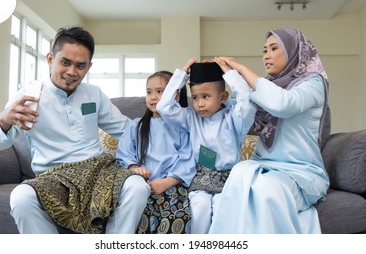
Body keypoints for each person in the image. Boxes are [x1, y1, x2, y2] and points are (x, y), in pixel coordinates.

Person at [0, 26, 150, 234]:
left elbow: (127, 129)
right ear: (50, 59)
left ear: (89, 67)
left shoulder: (94, 94)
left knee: (137, 186)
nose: (72, 72)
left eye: (80, 66)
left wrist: (167, 130)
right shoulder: (28, 97)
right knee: (21, 197)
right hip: (53, 176)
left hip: (98, 171)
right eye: (65, 62)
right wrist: (4, 120)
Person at [209, 28, 330, 234]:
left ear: (294, 51)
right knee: (236, 181)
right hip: (262, 168)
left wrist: (241, 69)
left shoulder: (313, 82)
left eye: (274, 48)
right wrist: (228, 78)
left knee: (267, 190)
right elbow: (244, 115)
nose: (266, 55)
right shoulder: (265, 88)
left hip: (299, 173)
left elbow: (283, 104)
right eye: (264, 50)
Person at [156, 60, 257, 234]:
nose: (200, 104)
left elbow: (247, 102)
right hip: (200, 178)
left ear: (223, 97)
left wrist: (230, 74)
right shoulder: (191, 118)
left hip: (228, 179)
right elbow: (163, 107)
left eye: (206, 96)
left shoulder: (234, 118)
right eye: (195, 98)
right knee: (199, 209)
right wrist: (181, 74)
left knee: (221, 211)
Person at [116, 71, 196, 234]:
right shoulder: (137, 126)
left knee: (177, 217)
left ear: (175, 95)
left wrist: (167, 182)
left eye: (160, 92)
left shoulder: (181, 126)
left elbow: (187, 158)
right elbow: (124, 153)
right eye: (149, 92)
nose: (153, 97)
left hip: (172, 185)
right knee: (141, 219)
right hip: (143, 185)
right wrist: (133, 168)